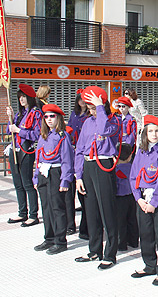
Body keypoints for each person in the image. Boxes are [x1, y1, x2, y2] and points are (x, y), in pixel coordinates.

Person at [74, 87, 122, 270]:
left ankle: (110, 253)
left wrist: (100, 107)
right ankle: (94, 250)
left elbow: (104, 129)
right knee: (91, 211)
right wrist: (78, 176)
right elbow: (79, 149)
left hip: (104, 165)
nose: (91, 111)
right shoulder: (87, 123)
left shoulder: (113, 120)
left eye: (93, 107)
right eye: (89, 107)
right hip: (88, 165)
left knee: (107, 210)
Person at [129, 115, 158, 286]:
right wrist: (138, 199)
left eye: (157, 131)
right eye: (150, 131)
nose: (154, 134)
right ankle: (149, 265)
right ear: (145, 133)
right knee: (145, 232)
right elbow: (133, 176)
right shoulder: (140, 151)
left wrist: (153, 203)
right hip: (142, 199)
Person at [32, 104, 74, 255]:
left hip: (56, 171)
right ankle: (49, 237)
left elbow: (67, 160)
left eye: (52, 116)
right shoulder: (44, 136)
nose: (49, 119)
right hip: (44, 172)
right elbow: (38, 157)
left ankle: (60, 240)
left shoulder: (63, 136)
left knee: (57, 207)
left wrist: (65, 180)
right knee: (46, 207)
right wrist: (36, 177)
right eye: (46, 116)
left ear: (58, 118)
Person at [6, 83, 42, 227]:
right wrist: (10, 118)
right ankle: (22, 212)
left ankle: (33, 215)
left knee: (27, 183)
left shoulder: (36, 113)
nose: (21, 99)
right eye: (20, 97)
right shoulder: (19, 114)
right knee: (17, 183)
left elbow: (37, 134)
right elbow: (10, 131)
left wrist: (19, 130)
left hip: (26, 150)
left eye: (24, 97)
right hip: (14, 149)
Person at [67, 89, 90, 238]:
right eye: (79, 99)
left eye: (83, 100)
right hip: (74, 149)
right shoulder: (74, 114)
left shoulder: (89, 116)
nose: (81, 102)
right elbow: (69, 128)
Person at [114, 143, 139, 252]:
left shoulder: (114, 169)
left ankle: (121, 244)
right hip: (132, 197)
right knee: (132, 219)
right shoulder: (133, 168)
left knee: (120, 222)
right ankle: (133, 241)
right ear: (130, 156)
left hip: (119, 198)